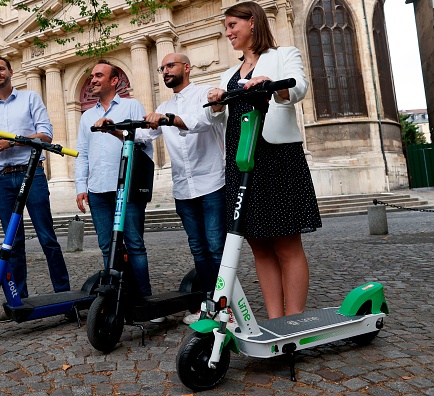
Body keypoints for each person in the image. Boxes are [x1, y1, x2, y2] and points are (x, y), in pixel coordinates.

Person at [206, 2, 322, 319]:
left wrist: (271, 86)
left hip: (276, 154)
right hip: (242, 159)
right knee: (258, 242)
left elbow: (298, 88)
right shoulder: (229, 73)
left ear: (253, 23)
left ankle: (294, 320)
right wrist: (215, 103)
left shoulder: (284, 55)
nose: (227, 32)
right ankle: (275, 318)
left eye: (232, 25)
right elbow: (219, 119)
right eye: (226, 27)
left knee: (286, 242)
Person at [113, 53, 227, 325]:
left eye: (170, 66)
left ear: (187, 67)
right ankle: (208, 303)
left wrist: (168, 119)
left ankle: (227, 304)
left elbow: (204, 122)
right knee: (198, 249)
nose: (164, 71)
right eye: (162, 68)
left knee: (216, 247)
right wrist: (113, 130)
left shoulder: (205, 94)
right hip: (183, 189)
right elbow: (141, 135)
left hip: (211, 182)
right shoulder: (164, 104)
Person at [0, 56, 71, 320]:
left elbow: (46, 134)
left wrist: (13, 143)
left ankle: (64, 295)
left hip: (32, 174)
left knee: (47, 237)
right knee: (12, 243)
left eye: (1, 69)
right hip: (4, 179)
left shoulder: (31, 98)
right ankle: (19, 300)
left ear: (10, 71)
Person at [74, 60, 157, 315]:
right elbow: (83, 154)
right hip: (98, 189)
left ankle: (144, 301)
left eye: (99, 75)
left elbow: (145, 138)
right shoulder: (87, 115)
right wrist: (81, 185)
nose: (93, 79)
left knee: (134, 244)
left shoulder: (131, 106)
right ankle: (115, 299)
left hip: (128, 187)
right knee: (106, 245)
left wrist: (115, 131)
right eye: (91, 75)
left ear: (114, 81)